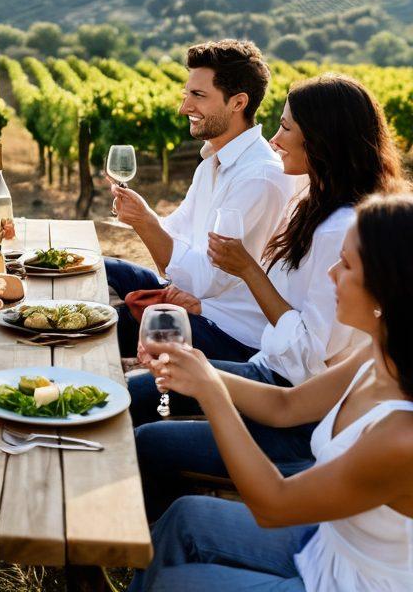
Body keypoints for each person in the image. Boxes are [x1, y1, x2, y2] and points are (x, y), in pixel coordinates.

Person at [131, 74, 406, 518]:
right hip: (270, 373)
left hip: (295, 401)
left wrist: (247, 271)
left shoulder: (340, 230)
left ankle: (146, 536)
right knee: (141, 392)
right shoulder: (312, 201)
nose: (274, 139)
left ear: (322, 141)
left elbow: (305, 358)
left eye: (286, 128)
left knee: (144, 422)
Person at [129, 192, 413, 592]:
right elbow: (286, 405)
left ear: (387, 289)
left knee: (178, 583)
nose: (331, 273)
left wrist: (210, 392)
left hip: (342, 582)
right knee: (184, 518)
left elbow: (274, 504)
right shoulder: (376, 354)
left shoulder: (403, 436)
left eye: (346, 264)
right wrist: (195, 368)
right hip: (326, 543)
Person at [110, 39, 296, 360]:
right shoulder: (213, 162)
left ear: (238, 103)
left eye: (197, 96)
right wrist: (146, 222)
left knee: (107, 328)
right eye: (186, 95)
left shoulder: (258, 178)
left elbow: (206, 282)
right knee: (101, 270)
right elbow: (176, 233)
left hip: (230, 331)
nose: (184, 108)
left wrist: (144, 221)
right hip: (197, 300)